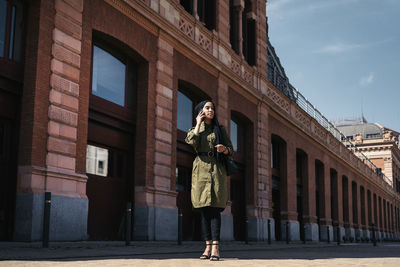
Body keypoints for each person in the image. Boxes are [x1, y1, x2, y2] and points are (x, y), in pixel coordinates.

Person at [185, 100, 233, 261]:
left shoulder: (220, 129)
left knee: (214, 210)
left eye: (212, 108)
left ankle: (216, 248)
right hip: (201, 170)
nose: (211, 110)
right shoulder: (195, 129)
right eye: (207, 108)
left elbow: (231, 150)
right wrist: (198, 123)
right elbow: (191, 142)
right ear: (200, 111)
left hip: (217, 170)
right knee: (204, 211)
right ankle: (207, 246)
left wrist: (224, 149)